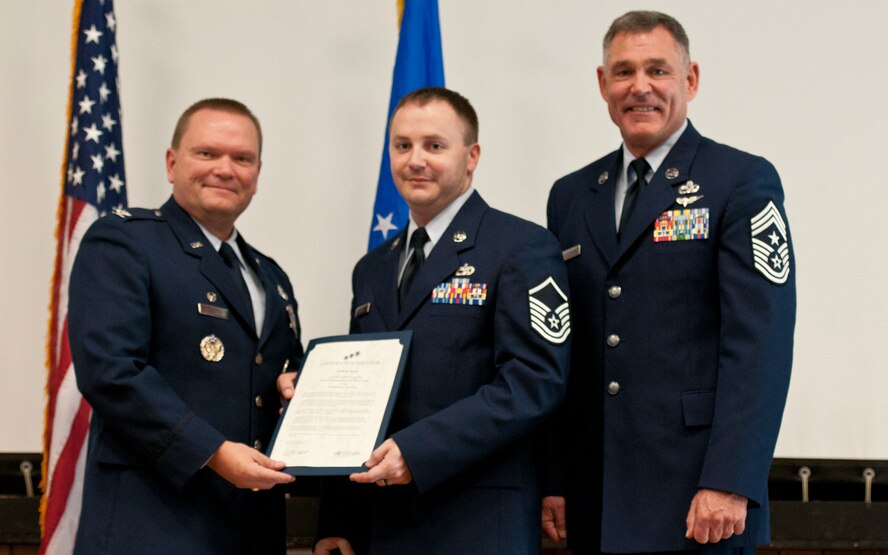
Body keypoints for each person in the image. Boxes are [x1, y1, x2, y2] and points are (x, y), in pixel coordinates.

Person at [542, 11, 796, 554]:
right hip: (596, 496)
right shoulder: (570, 196)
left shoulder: (741, 182)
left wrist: (730, 479)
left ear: (691, 79)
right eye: (624, 71)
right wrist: (556, 479)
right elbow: (561, 349)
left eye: (658, 70)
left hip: (698, 498)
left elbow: (760, 346)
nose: (640, 87)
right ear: (602, 84)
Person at [300, 87, 571, 554]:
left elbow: (534, 382)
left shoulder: (521, 247)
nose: (415, 160)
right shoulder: (373, 268)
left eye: (435, 145)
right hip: (382, 523)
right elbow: (358, 398)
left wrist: (418, 451)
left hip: (477, 520)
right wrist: (336, 519)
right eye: (402, 145)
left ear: (472, 156)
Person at [68, 98, 303, 554]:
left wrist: (296, 385)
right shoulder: (125, 242)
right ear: (172, 163)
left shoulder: (270, 277)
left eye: (242, 158)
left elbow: (279, 372)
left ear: (257, 174)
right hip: (153, 522)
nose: (225, 169)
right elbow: (111, 372)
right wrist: (213, 451)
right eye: (207, 153)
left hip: (250, 526)